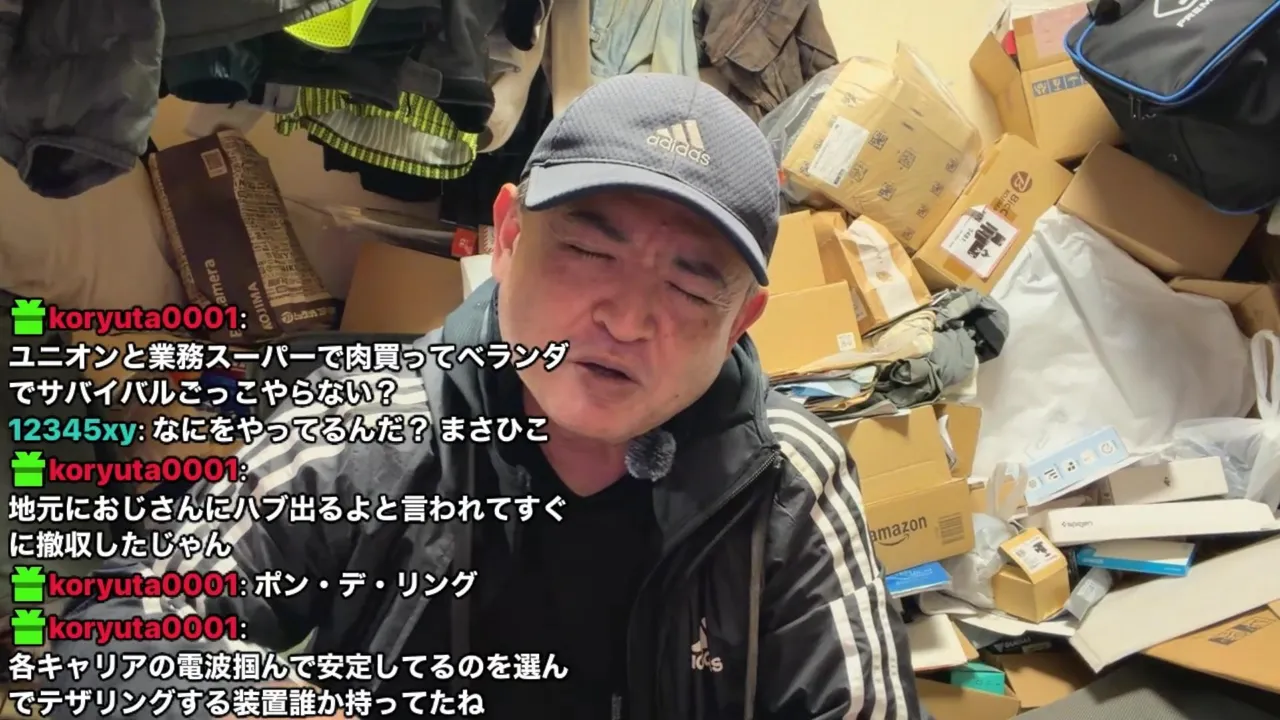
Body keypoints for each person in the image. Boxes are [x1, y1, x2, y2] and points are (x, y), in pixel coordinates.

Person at [52, 73, 923, 719]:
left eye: (692, 288)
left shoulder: (784, 481)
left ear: (741, 322)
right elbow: (111, 626)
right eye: (589, 252)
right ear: (506, 236)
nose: (625, 319)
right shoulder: (374, 422)